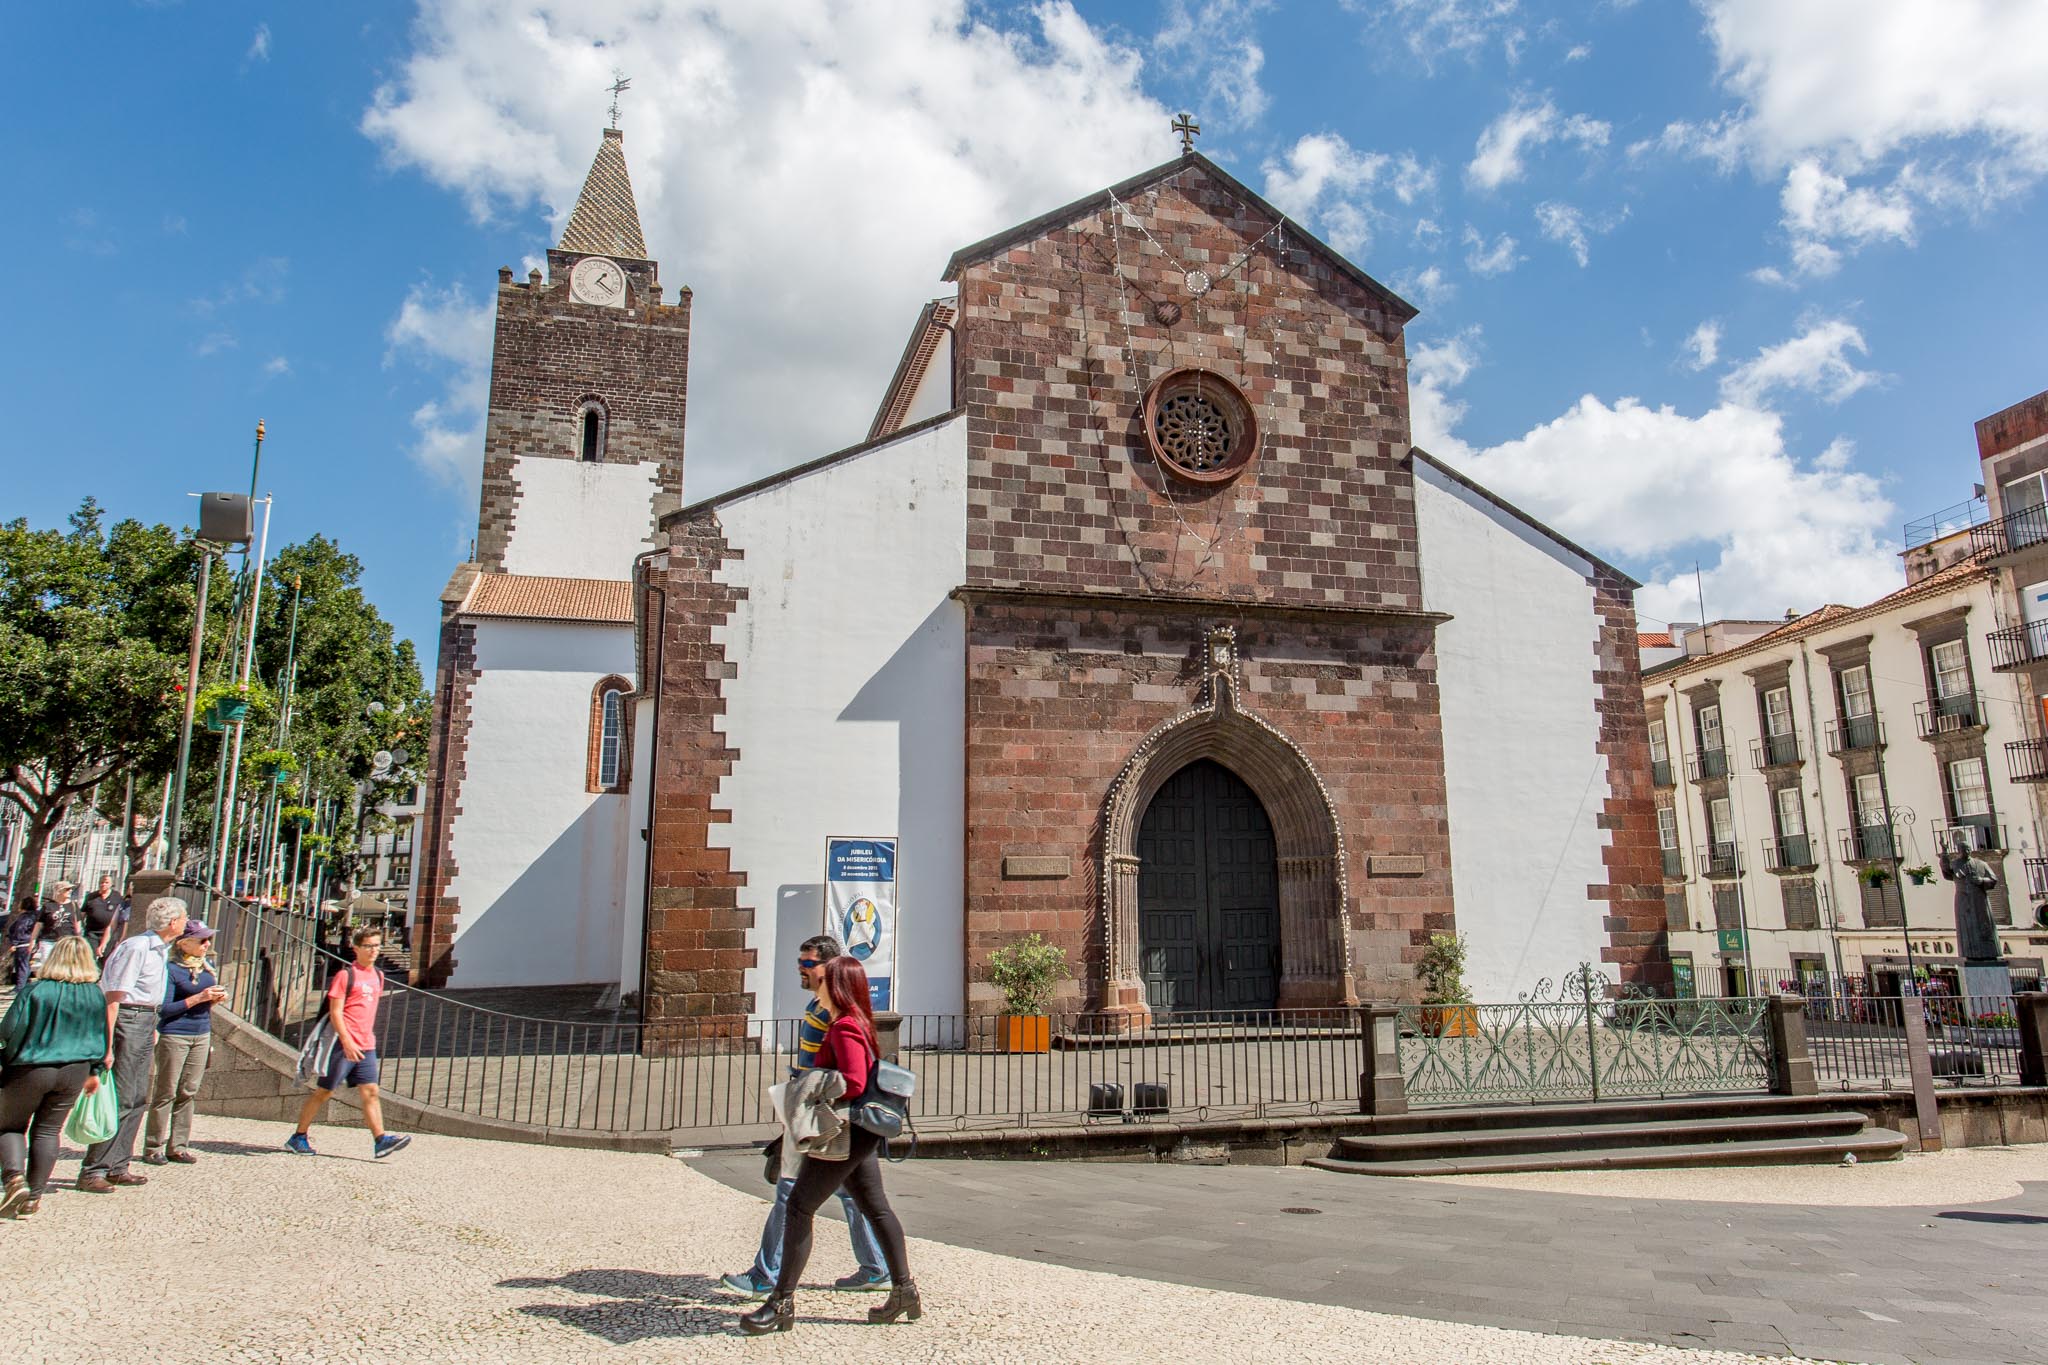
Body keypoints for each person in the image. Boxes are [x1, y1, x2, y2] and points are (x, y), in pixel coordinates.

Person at [741, 954, 919, 1335]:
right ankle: (904, 1290)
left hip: (848, 1131)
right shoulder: (856, 1022)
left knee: (800, 1206)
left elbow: (854, 1083)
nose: (815, 985)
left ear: (837, 986)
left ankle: (780, 1302)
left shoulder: (843, 1028)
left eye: (823, 981)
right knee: (875, 1207)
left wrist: (815, 1089)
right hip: (861, 1132)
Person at [721, 935, 890, 1299]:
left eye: (808, 962)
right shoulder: (820, 1007)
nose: (801, 967)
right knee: (851, 1195)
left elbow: (848, 1071)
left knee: (790, 1193)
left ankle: (767, 1274)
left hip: (819, 1113)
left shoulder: (835, 1015)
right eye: (800, 961)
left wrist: (807, 1094)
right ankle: (878, 1266)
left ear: (829, 967)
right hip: (817, 1109)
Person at [78, 896, 187, 1193]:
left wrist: (152, 1027)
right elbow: (113, 998)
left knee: (138, 1097)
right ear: (172, 922)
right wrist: (109, 1045)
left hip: (145, 1020)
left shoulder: (160, 950)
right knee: (122, 1098)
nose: (186, 923)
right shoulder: (137, 947)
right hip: (128, 1019)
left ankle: (117, 1164)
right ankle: (93, 1169)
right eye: (184, 918)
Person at [0, 936, 109, 1217]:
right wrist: (95, 1070)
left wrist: (9, 1057)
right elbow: (101, 1037)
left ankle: (14, 1179)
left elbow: (8, 1030)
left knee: (9, 1126)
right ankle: (33, 1198)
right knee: (48, 1131)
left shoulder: (36, 991)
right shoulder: (95, 994)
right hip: (75, 1070)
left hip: (31, 1066)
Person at [285, 925, 410, 1159]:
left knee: (371, 1091)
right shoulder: (346, 976)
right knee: (325, 1091)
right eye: (368, 946)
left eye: (376, 945)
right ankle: (298, 1136)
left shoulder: (378, 976)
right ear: (356, 948)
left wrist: (364, 1040)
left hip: (366, 1044)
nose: (373, 950)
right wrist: (347, 1041)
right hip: (343, 1045)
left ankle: (381, 1140)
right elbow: (336, 1012)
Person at [142, 919, 225, 1165]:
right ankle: (153, 1146)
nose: (206, 944)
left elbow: (205, 998)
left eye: (208, 939)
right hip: (175, 1033)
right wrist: (199, 998)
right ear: (184, 943)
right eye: (201, 940)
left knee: (189, 1090)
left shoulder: (206, 965)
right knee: (166, 1091)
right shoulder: (171, 969)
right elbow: (164, 1008)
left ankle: (178, 1145)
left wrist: (214, 999)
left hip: (201, 1032)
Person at [82, 873, 130, 963]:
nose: (103, 884)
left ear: (111, 884)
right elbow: (82, 914)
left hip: (109, 934)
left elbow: (121, 915)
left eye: (106, 882)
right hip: (92, 933)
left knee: (106, 959)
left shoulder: (117, 897)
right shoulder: (91, 897)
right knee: (89, 958)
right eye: (101, 882)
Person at [36, 881, 83, 948]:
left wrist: (79, 941)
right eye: (67, 889)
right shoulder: (48, 905)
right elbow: (38, 925)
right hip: (48, 941)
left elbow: (78, 926)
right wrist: (33, 940)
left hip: (67, 942)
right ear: (59, 891)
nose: (70, 891)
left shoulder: (74, 906)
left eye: (71, 889)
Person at [5, 896, 37, 993]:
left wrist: (14, 943)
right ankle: (25, 985)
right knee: (25, 965)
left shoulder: (25, 917)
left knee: (21, 966)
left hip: (23, 944)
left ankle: (20, 987)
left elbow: (20, 930)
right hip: (30, 943)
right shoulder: (35, 916)